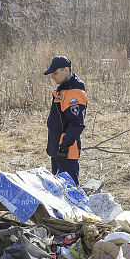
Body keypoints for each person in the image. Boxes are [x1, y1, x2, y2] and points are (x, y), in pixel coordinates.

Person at [43, 55, 86, 186]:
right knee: (58, 191)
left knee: (70, 192)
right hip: (58, 149)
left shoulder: (74, 93)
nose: (52, 76)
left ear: (66, 70)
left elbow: (76, 124)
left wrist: (64, 147)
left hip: (66, 152)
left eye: (55, 73)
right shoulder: (63, 90)